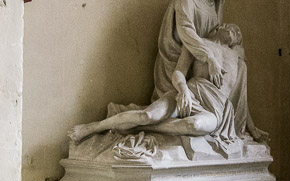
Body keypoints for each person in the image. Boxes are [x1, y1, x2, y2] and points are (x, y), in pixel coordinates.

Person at [68, 23, 268, 149]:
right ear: (219, 27)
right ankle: (92, 128)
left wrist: (253, 129)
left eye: (238, 33)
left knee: (195, 125)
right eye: (233, 28)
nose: (236, 32)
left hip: (217, 109)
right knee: (147, 115)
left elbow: (241, 101)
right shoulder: (197, 44)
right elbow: (179, 72)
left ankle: (136, 127)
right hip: (191, 93)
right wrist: (183, 91)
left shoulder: (238, 61)